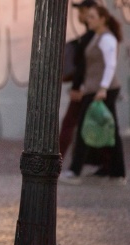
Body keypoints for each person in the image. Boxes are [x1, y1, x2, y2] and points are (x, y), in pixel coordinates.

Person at [60, 5, 126, 186]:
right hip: (94, 89)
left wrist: (103, 89)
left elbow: (111, 65)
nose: (88, 20)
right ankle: (116, 172)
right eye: (88, 17)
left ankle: (76, 170)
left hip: (102, 91)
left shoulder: (107, 38)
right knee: (106, 129)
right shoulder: (95, 37)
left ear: (102, 19)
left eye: (92, 17)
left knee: (89, 127)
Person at [59, 0, 97, 160]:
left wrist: (78, 87)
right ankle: (106, 164)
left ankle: (58, 159)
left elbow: (85, 65)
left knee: (71, 124)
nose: (79, 15)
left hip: (86, 88)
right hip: (91, 87)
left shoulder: (93, 36)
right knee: (93, 123)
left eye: (81, 11)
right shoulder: (91, 35)